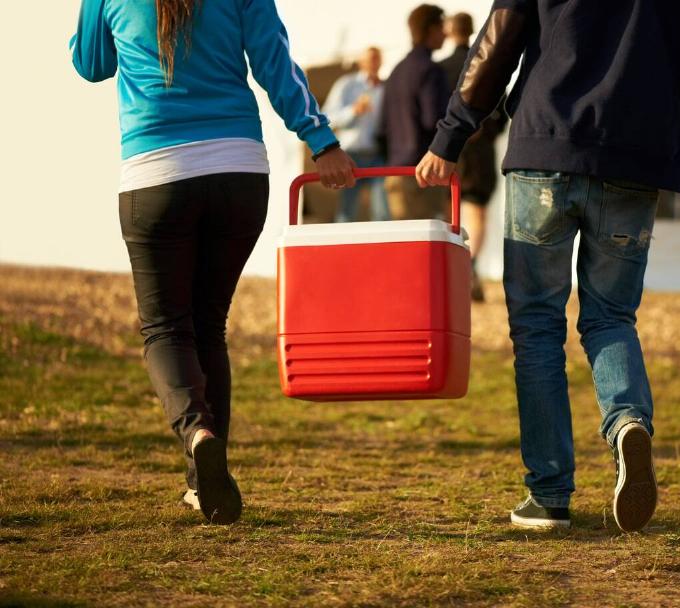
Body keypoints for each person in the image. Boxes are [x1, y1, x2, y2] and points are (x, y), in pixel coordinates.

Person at [417, 0, 680, 532]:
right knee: (611, 315)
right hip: (637, 156)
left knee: (538, 325)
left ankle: (548, 496)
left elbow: (498, 41)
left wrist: (452, 135)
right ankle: (627, 421)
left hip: (544, 147)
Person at [71, 0, 355, 525]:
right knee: (208, 327)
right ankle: (204, 483)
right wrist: (322, 140)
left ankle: (197, 433)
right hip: (238, 171)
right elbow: (275, 63)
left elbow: (91, 63)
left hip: (155, 171)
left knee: (165, 328)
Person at [438, 12, 507, 302]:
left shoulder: (440, 69)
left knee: (447, 211)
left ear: (449, 31)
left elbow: (432, 109)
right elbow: (502, 113)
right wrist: (483, 130)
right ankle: (470, 265)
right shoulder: (488, 63)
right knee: (476, 211)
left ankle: (450, 270)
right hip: (479, 151)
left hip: (446, 147)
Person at [379, 4, 450, 220]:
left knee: (404, 248)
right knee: (429, 250)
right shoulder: (430, 70)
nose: (445, 33)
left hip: (395, 174)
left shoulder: (396, 70)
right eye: (442, 27)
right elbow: (433, 121)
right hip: (423, 176)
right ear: (430, 29)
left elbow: (382, 127)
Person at [323, 47, 391, 222]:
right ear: (361, 62)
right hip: (350, 156)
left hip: (377, 155)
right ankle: (341, 248)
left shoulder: (385, 88)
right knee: (347, 210)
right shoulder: (346, 84)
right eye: (369, 59)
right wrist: (353, 111)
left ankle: (381, 248)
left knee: (382, 210)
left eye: (376, 58)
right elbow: (327, 117)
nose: (373, 62)